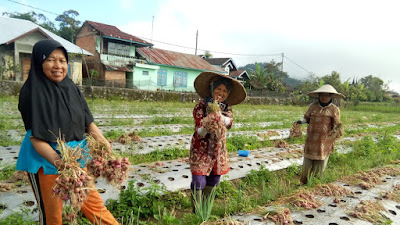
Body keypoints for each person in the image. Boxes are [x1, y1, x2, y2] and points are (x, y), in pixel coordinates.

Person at [16, 39, 119, 225]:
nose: (58, 66)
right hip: (46, 162)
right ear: (39, 62)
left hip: (76, 158)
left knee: (94, 205)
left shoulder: (72, 88)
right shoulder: (31, 92)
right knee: (53, 217)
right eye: (50, 60)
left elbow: (88, 122)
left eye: (62, 60)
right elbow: (36, 138)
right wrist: (60, 163)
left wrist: (103, 143)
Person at [190, 71, 247, 211]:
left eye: (224, 91)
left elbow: (229, 122)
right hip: (201, 148)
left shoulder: (226, 107)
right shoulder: (201, 106)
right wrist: (208, 125)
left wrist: (220, 117)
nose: (220, 93)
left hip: (219, 148)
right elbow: (199, 130)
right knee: (198, 180)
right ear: (212, 88)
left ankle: (206, 208)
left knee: (214, 178)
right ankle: (196, 212)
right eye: (218, 89)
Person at [295, 84, 345, 184]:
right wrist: (300, 122)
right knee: (307, 163)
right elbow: (306, 118)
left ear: (330, 96)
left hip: (324, 141)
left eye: (326, 95)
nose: (324, 97)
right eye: (322, 95)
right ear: (319, 96)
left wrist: (336, 132)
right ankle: (304, 182)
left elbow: (337, 124)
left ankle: (315, 183)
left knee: (320, 163)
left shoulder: (334, 109)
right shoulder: (312, 107)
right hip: (311, 140)